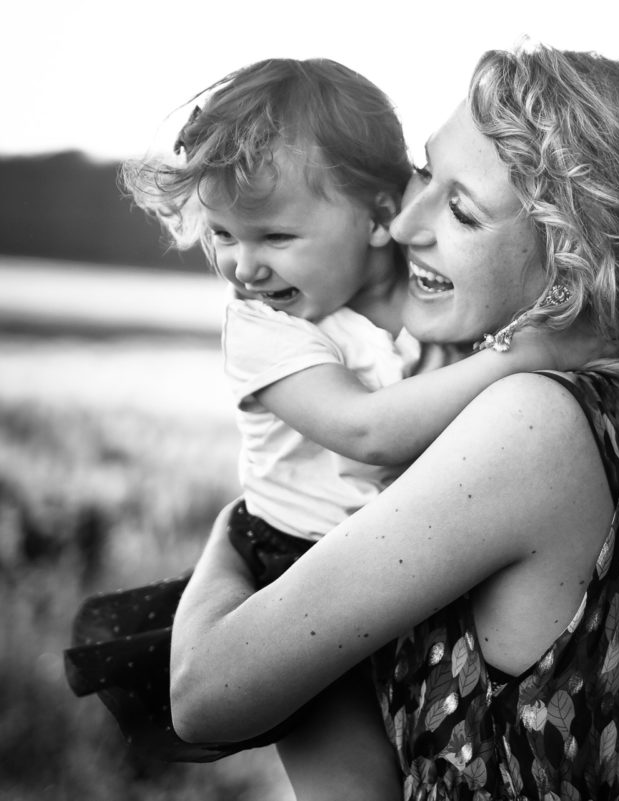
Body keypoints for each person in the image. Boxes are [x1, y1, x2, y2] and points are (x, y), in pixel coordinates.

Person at [169, 44, 619, 800]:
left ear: (575, 254)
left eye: (459, 207)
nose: (399, 222)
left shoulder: (533, 422)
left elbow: (203, 693)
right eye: (424, 173)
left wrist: (230, 539)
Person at [63, 57, 589, 801]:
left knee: (422, 751)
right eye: (221, 233)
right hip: (291, 561)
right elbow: (368, 431)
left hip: (394, 552)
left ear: (378, 218)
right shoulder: (262, 329)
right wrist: (526, 355)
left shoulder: (427, 288)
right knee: (357, 784)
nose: (242, 267)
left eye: (275, 236)